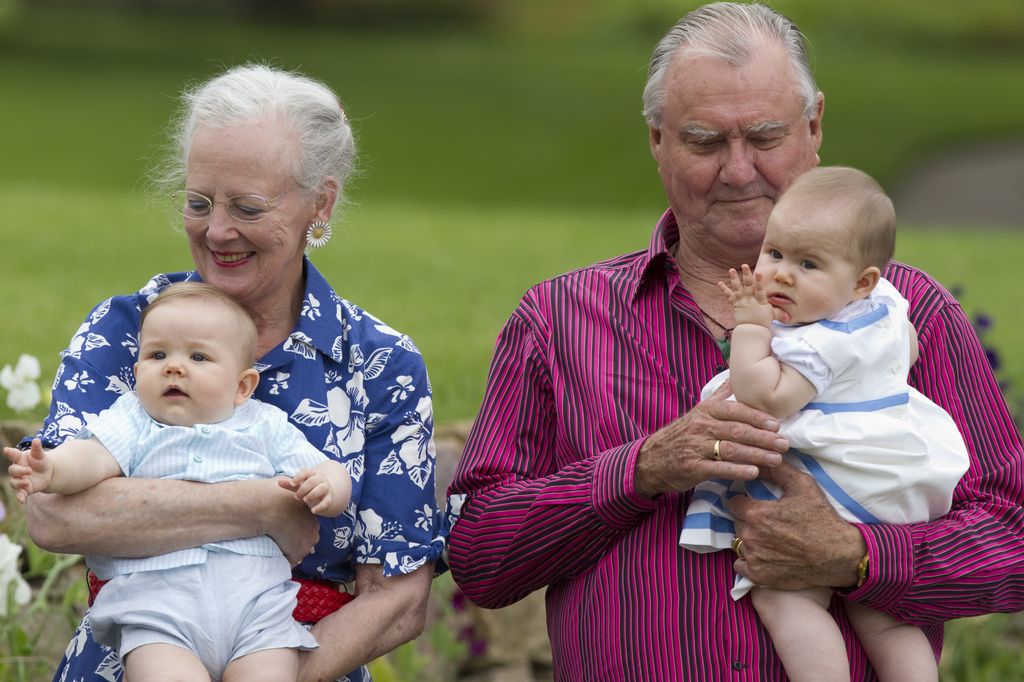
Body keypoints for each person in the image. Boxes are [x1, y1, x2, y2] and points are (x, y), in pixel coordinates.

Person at [445, 3, 1024, 680]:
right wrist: (639, 470)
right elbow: (481, 555)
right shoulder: (559, 320)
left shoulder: (908, 313)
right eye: (704, 141)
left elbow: (1012, 535)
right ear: (658, 141)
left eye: (765, 137)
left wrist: (858, 557)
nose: (740, 170)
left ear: (814, 130)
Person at [20, 64, 446, 682]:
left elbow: (398, 600)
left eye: (247, 207)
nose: (217, 231)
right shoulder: (128, 330)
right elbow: (57, 515)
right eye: (199, 203)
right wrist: (259, 508)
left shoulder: (378, 364)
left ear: (319, 205)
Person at [679, 166, 969, 682]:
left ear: (861, 281)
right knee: (886, 620)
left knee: (785, 598)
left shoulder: (819, 342)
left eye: (809, 264)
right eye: (775, 254)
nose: (783, 275)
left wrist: (750, 328)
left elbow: (767, 396)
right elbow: (907, 346)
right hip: (891, 490)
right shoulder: (884, 308)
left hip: (838, 487)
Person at [7, 282, 353, 680]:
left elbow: (326, 469)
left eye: (199, 356)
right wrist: (53, 468)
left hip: (257, 611)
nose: (174, 366)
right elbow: (91, 456)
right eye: (157, 354)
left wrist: (329, 486)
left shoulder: (264, 426)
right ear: (137, 373)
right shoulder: (134, 420)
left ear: (242, 386)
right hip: (157, 612)